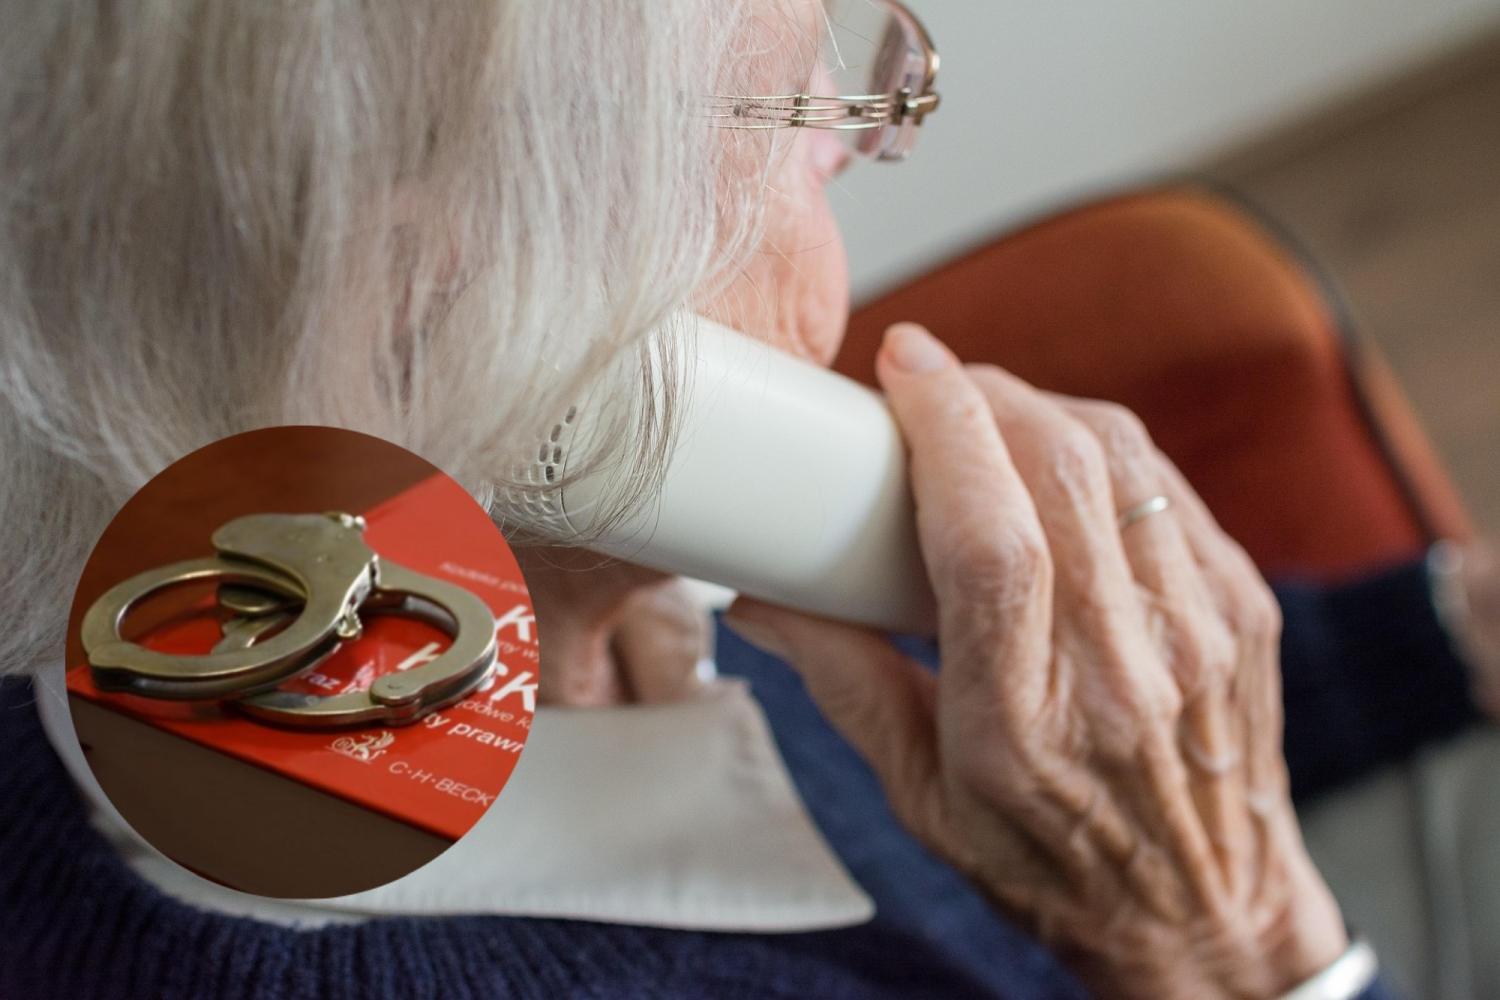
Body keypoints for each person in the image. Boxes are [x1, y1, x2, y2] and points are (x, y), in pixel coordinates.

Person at [2, 1, 1498, 997]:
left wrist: (1437, 630)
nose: (862, 144)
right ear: (439, 328)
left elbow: (1039, 722)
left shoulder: (548, 561)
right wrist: (1239, 946)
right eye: (805, 113)